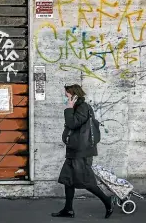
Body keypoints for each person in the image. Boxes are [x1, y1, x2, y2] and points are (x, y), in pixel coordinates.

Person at [51, 84, 115, 219]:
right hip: (74, 151)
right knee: (68, 180)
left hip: (81, 152)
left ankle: (107, 201)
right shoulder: (78, 107)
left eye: (67, 95)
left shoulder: (83, 107)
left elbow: (73, 124)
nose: (65, 97)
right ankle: (68, 210)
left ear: (74, 95)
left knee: (86, 181)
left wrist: (68, 108)